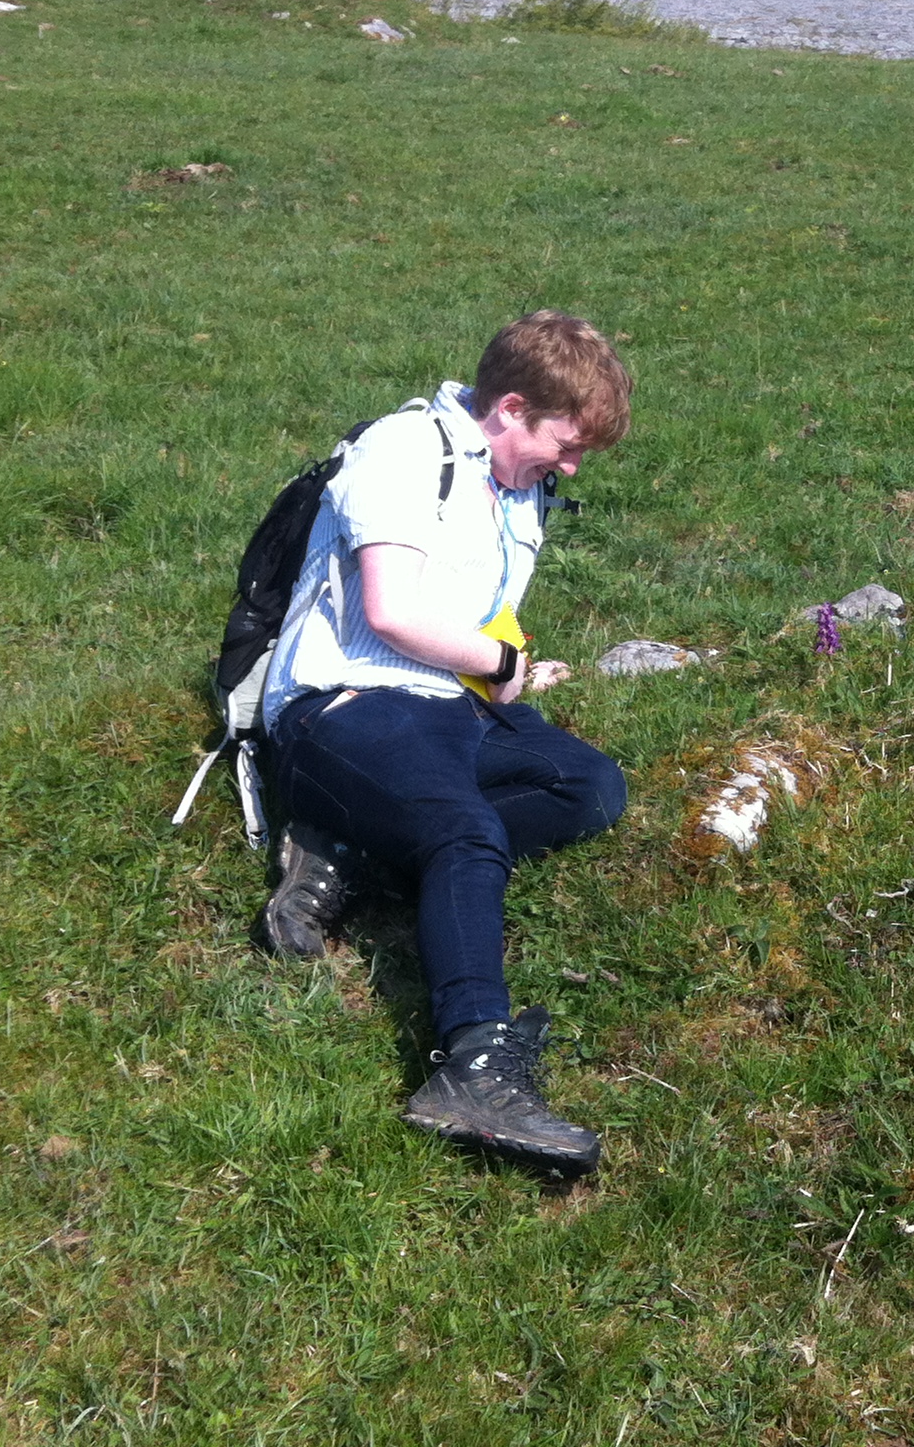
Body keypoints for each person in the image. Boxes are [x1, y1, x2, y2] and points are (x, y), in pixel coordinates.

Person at [255, 310, 632, 1176]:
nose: (571, 468)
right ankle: (473, 1067)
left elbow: (469, 603)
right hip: (342, 707)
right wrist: (500, 658)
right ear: (508, 408)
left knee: (590, 787)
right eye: (565, 445)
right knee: (463, 832)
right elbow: (389, 611)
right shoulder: (402, 452)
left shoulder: (513, 479)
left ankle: (346, 857)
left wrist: (512, 666)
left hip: (447, 706)